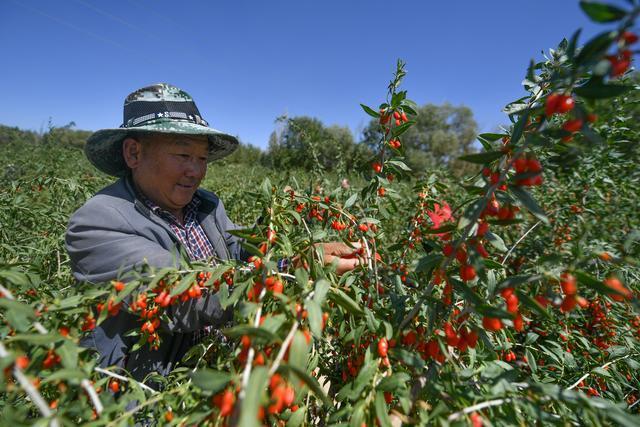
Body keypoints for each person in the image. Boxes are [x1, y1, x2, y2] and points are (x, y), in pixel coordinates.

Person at [65, 83, 362, 382]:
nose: (195, 171)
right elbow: (180, 295)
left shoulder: (206, 204)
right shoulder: (97, 221)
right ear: (134, 153)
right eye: (183, 155)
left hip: (221, 374)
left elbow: (237, 253)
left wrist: (278, 228)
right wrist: (291, 269)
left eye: (202, 158)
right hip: (151, 394)